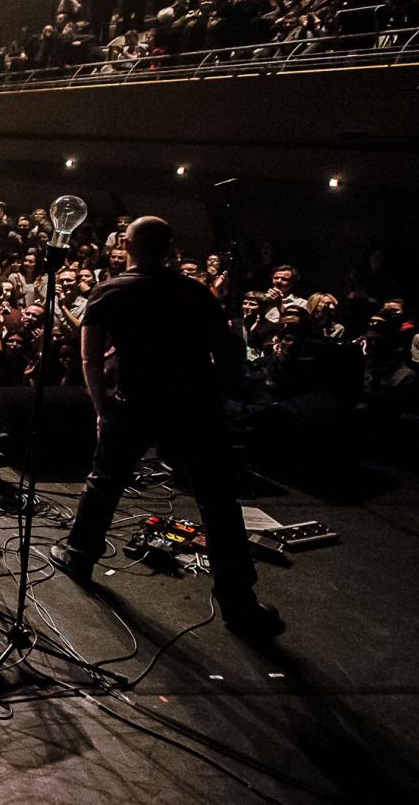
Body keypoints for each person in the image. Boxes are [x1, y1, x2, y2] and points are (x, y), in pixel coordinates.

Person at [49, 216, 282, 636]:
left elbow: (90, 358)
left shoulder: (110, 291)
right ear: (170, 247)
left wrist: (102, 409)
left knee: (105, 481)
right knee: (217, 502)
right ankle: (238, 601)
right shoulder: (195, 292)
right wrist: (220, 393)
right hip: (194, 404)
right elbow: (226, 349)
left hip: (135, 401)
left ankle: (80, 555)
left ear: (126, 245)